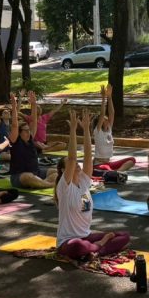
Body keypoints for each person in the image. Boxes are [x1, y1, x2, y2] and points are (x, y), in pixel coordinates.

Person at [55, 108, 130, 259]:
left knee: (124, 236)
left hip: (87, 236)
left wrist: (86, 130)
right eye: (70, 165)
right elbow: (72, 158)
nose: (76, 165)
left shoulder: (83, 181)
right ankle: (100, 246)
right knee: (77, 246)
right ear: (63, 170)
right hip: (68, 241)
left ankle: (95, 251)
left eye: (76, 164)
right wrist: (73, 130)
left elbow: (88, 156)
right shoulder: (64, 186)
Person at [8, 93, 59, 189]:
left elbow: (34, 121)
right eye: (26, 131)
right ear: (19, 132)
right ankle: (49, 184)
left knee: (57, 172)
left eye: (29, 130)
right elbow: (14, 125)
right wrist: (14, 107)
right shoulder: (15, 141)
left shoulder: (30, 138)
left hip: (37, 172)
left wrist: (34, 104)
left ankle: (42, 183)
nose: (29, 132)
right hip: (19, 176)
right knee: (28, 177)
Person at [92, 84, 135, 172]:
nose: (108, 119)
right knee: (107, 169)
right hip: (99, 164)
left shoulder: (109, 129)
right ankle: (114, 173)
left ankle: (117, 172)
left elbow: (112, 113)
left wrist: (109, 97)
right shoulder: (98, 131)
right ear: (100, 122)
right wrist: (103, 98)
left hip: (108, 163)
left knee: (132, 160)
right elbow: (102, 114)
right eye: (105, 119)